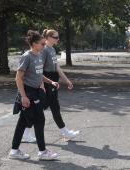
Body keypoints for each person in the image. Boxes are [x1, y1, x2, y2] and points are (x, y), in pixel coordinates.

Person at [9, 30, 58, 160]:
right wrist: (24, 96)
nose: (44, 45)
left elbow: (38, 74)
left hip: (35, 91)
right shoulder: (27, 56)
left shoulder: (39, 56)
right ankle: (42, 152)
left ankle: (14, 151)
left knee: (23, 121)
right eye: (42, 43)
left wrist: (50, 81)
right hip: (28, 92)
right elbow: (18, 78)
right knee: (39, 120)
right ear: (35, 44)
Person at [23, 29, 79, 142]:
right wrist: (42, 84)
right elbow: (39, 69)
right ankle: (64, 131)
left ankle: (25, 132)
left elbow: (57, 67)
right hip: (47, 80)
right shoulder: (44, 50)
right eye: (55, 37)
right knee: (53, 106)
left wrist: (66, 80)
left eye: (58, 37)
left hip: (53, 80)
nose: (58, 39)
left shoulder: (52, 49)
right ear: (48, 38)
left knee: (43, 107)